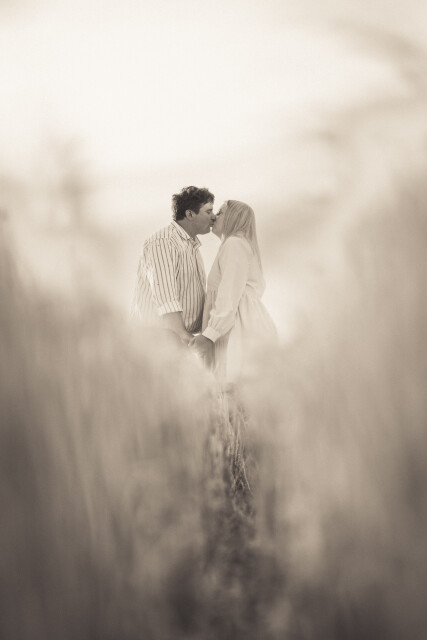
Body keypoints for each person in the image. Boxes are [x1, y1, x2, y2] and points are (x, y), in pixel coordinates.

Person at [193, 200, 277, 384]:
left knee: (234, 386)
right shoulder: (237, 245)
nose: (214, 217)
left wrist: (209, 335)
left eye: (220, 213)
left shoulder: (234, 244)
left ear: (233, 218)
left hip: (237, 330)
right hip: (241, 326)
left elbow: (228, 295)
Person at [131, 186, 215, 345]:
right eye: (208, 212)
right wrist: (187, 339)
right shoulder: (163, 242)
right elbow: (166, 301)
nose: (213, 217)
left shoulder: (191, 245)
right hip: (157, 340)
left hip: (175, 339)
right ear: (190, 214)